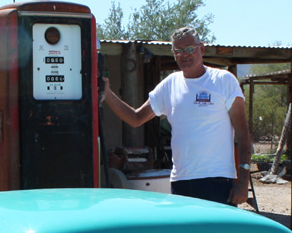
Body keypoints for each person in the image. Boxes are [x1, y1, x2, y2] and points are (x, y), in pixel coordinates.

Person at [103, 26, 253, 205]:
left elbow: (243, 135)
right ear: (173, 53)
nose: (184, 55)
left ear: (201, 49)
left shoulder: (223, 81)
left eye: (190, 49)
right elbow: (136, 118)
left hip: (217, 182)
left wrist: (243, 180)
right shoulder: (169, 85)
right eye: (178, 51)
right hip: (180, 183)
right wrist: (106, 93)